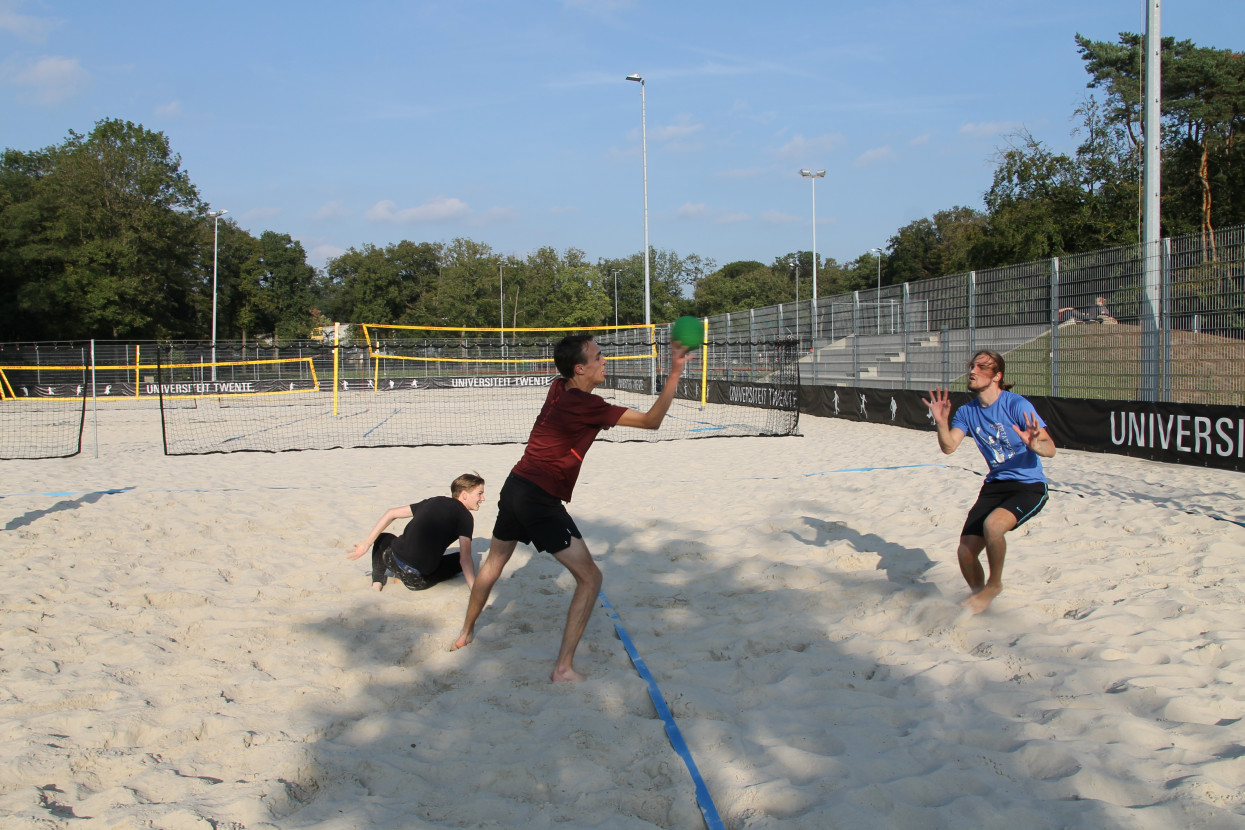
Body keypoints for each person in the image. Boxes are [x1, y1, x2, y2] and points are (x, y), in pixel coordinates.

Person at [452, 334, 692, 682]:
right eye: (598, 357)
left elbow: (567, 376)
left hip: (515, 485)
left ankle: (466, 633)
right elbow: (651, 421)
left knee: (492, 565)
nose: (604, 361)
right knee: (591, 578)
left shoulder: (558, 388)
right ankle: (563, 667)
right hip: (539, 499)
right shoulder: (584, 404)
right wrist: (674, 373)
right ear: (580, 368)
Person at [923, 350, 1056, 614]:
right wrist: (941, 423)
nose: (973, 371)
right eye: (972, 365)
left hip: (1028, 486)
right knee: (965, 552)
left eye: (982, 367)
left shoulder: (1017, 405)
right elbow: (949, 447)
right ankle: (979, 598)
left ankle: (994, 585)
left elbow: (1050, 449)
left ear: (997, 376)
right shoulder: (967, 411)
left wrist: (1035, 444)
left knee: (993, 526)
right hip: (995, 485)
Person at [346, 473, 486, 592]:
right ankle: (399, 579)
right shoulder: (466, 517)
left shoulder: (434, 500)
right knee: (458, 560)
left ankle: (377, 583)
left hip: (392, 559)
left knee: (383, 537)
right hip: (416, 579)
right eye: (479, 494)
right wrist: (475, 590)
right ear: (464, 494)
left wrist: (366, 543)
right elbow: (465, 559)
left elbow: (391, 513)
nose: (483, 498)